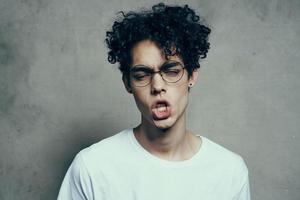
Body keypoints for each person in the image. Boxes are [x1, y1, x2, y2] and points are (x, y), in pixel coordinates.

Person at [57, 3, 251, 200]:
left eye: (171, 71)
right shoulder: (92, 168)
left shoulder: (230, 171)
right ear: (128, 84)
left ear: (191, 75)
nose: (157, 86)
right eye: (142, 74)